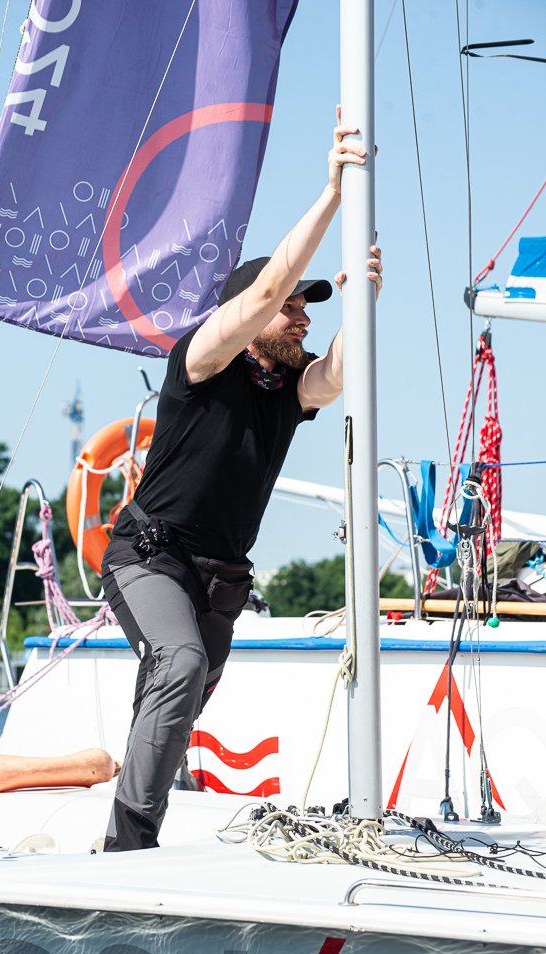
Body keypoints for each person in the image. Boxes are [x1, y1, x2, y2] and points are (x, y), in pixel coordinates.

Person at [101, 110, 383, 851]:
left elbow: (336, 377)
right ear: (247, 312)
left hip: (221, 575)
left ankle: (121, 817)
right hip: (150, 555)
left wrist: (361, 303)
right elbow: (260, 298)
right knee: (181, 663)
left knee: (181, 693)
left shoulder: (284, 392)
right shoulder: (200, 362)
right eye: (291, 306)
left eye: (306, 308)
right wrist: (334, 194)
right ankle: (130, 844)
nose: (299, 317)